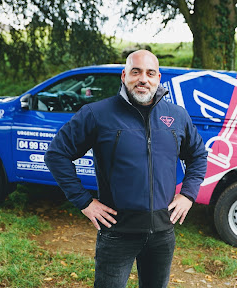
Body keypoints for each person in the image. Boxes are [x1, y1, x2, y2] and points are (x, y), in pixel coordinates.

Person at [44, 50, 208, 288]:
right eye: (136, 71)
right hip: (117, 232)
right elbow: (56, 154)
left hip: (162, 233)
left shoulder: (177, 116)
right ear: (124, 76)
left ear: (158, 78)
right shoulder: (97, 114)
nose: (143, 79)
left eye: (150, 73)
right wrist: (84, 202)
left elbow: (198, 155)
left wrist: (188, 194)